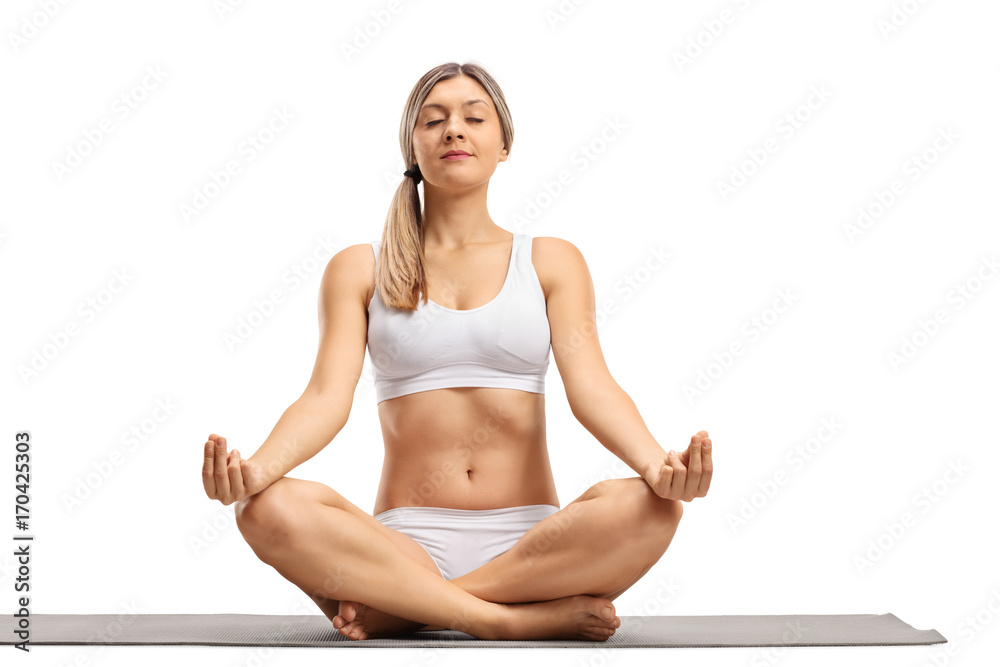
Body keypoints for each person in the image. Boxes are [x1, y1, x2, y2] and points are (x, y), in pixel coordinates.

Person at [201, 61, 713, 642]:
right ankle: (504, 620)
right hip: (401, 546)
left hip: (532, 548)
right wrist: (257, 472)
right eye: (433, 120)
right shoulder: (360, 268)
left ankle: (414, 610)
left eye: (474, 117)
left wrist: (656, 468)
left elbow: (593, 387)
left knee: (653, 509)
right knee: (265, 510)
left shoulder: (550, 260)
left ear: (504, 145)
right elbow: (324, 399)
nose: (453, 130)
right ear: (413, 147)